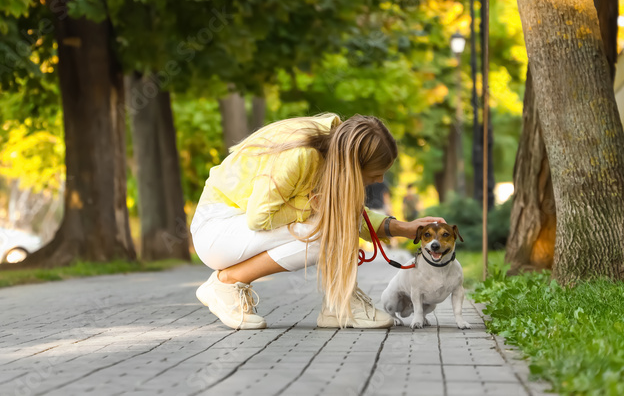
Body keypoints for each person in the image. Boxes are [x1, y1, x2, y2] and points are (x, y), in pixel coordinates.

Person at [190, 113, 444, 330]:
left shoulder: (332, 145)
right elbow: (260, 217)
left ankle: (337, 306)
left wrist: (400, 227)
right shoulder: (301, 154)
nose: (379, 181)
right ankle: (226, 283)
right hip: (217, 229)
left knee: (335, 217)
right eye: (376, 174)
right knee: (328, 226)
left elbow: (349, 212)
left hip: (235, 228)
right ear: (354, 165)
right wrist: (312, 207)